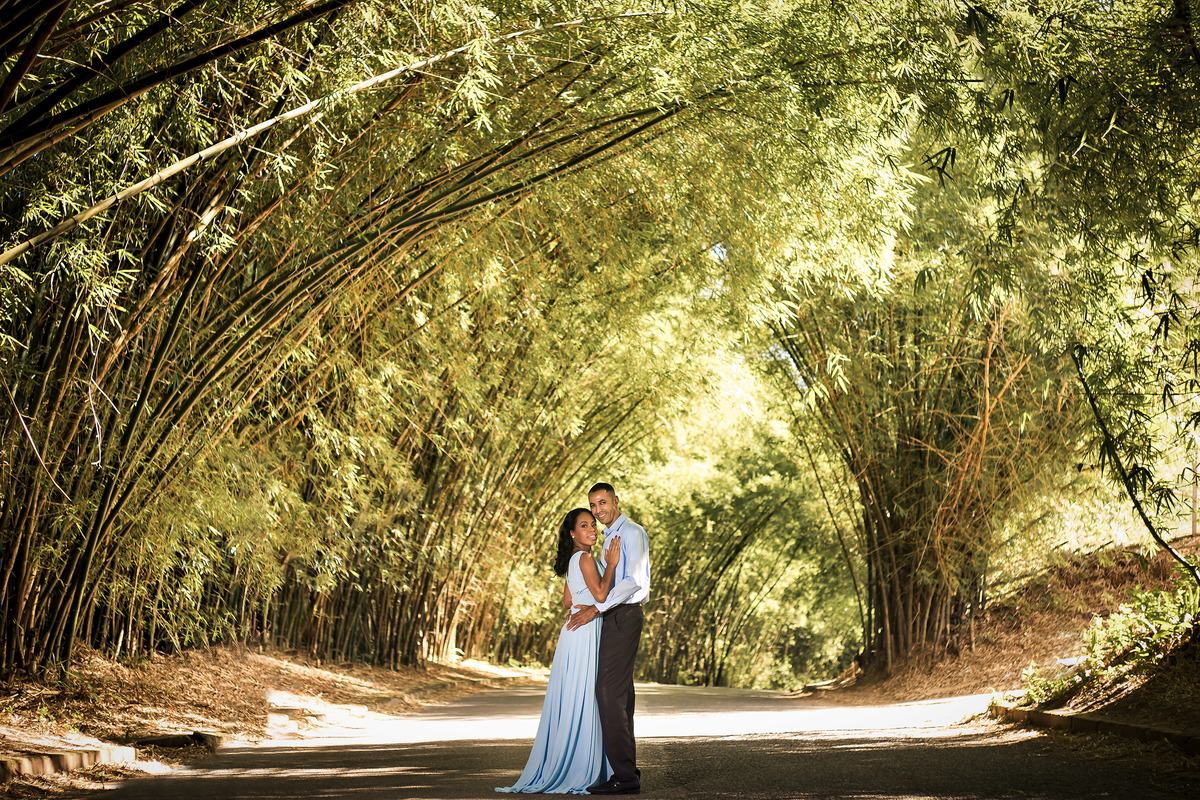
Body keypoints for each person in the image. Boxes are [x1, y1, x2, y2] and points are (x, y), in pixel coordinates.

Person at [497, 508, 621, 794]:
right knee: (586, 697)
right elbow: (601, 595)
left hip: (573, 632)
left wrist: (582, 598)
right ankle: (583, 768)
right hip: (585, 631)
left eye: (593, 525)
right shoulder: (586, 558)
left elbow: (567, 601)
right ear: (573, 534)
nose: (592, 529)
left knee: (575, 697)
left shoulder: (573, 560)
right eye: (584, 526)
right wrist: (611, 564)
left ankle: (572, 761)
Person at [567, 483, 651, 796]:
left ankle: (625, 776)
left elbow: (634, 582)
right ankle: (627, 770)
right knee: (619, 694)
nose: (599, 509)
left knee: (608, 692)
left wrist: (595, 608)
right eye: (593, 504)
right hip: (611, 617)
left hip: (625, 616)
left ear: (616, 501)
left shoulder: (631, 532)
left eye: (603, 502)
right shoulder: (607, 536)